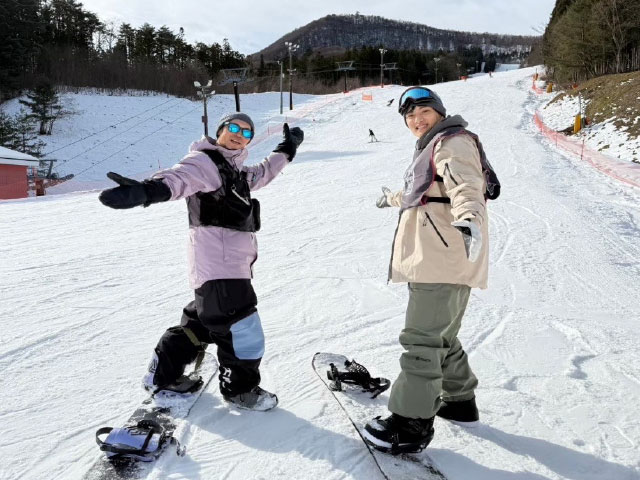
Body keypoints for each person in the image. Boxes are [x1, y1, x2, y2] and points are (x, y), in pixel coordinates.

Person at [98, 113, 304, 411]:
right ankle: (240, 390)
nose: (239, 134)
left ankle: (162, 373)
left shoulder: (235, 171)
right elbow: (179, 178)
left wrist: (287, 148)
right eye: (233, 127)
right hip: (221, 266)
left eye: (246, 132)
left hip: (224, 266)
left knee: (203, 322)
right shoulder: (204, 162)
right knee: (243, 329)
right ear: (220, 131)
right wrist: (149, 190)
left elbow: (263, 172)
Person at [363, 87, 500, 453]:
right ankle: (458, 400)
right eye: (409, 115)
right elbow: (422, 192)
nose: (416, 119)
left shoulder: (451, 143)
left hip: (441, 259)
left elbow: (465, 186)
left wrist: (469, 218)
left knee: (422, 340)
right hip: (439, 260)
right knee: (442, 336)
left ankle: (410, 423)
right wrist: (391, 198)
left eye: (423, 110)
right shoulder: (434, 146)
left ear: (439, 112)